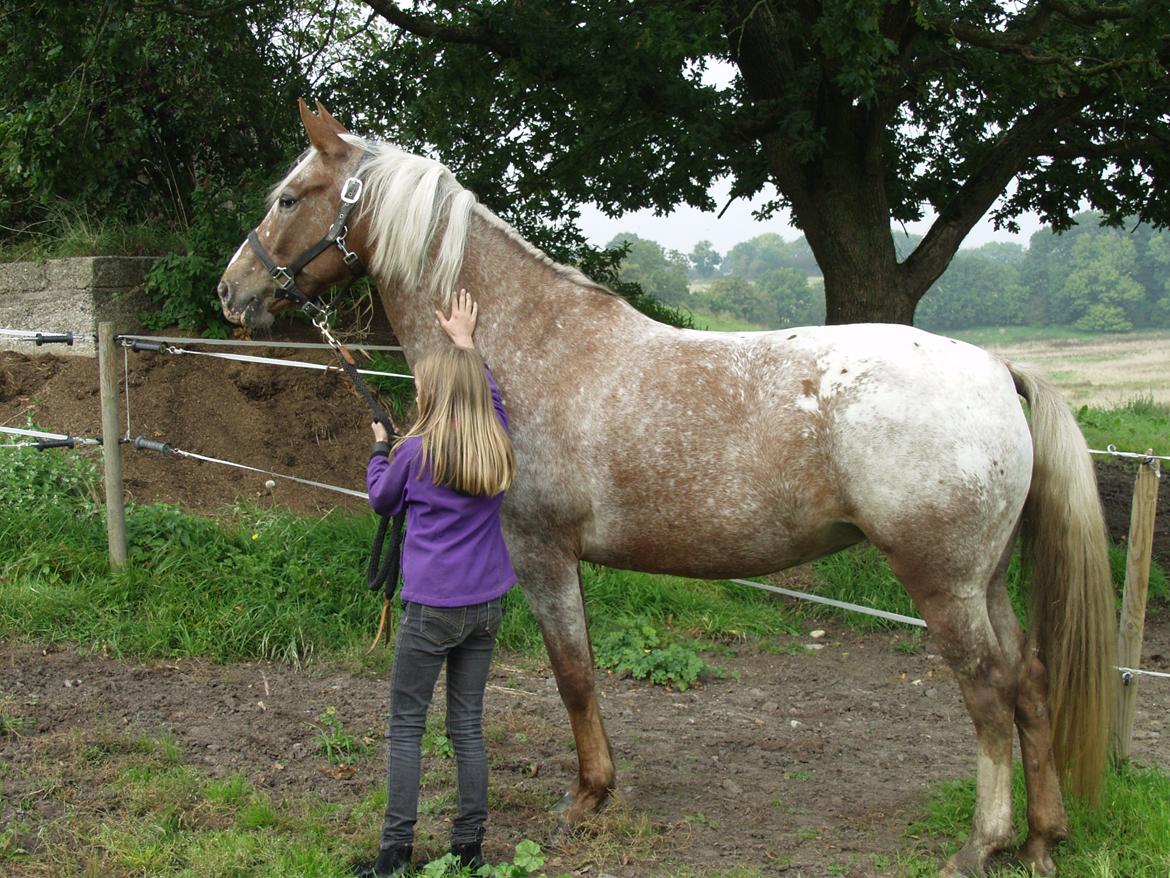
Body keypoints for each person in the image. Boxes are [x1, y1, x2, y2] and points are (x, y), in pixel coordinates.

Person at [356, 290, 516, 878]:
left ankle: (394, 854)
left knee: (406, 726)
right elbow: (491, 398)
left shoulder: (414, 452)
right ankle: (468, 849)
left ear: (437, 396)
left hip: (431, 611)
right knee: (467, 726)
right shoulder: (495, 443)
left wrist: (379, 445)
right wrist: (467, 343)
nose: (418, 393)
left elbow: (380, 499)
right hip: (487, 605)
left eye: (425, 388)